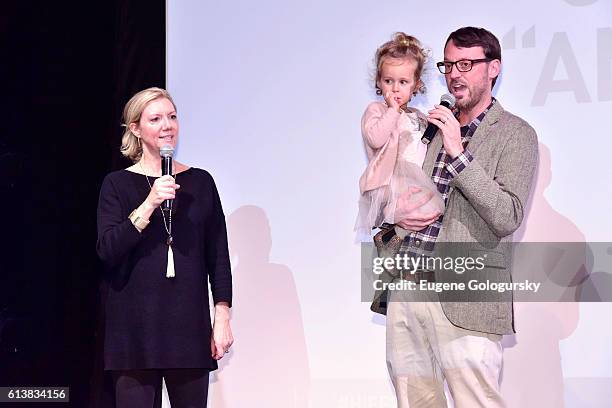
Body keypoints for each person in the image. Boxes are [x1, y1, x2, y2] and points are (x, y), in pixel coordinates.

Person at [378, 27, 539, 407]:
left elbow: (507, 215)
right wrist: (393, 217)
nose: (454, 74)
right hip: (408, 286)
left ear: (493, 68)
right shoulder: (429, 129)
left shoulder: (516, 134)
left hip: (468, 300)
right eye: (448, 65)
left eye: (466, 64)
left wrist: (458, 151)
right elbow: (400, 191)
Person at [96, 87, 233, 407]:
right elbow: (107, 250)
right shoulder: (116, 185)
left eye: (172, 116)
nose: (167, 125)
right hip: (133, 329)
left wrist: (222, 313)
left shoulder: (201, 182)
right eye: (155, 119)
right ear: (136, 129)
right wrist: (149, 203)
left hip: (187, 326)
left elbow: (218, 254)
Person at [355, 32, 444, 242]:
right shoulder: (376, 110)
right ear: (379, 81)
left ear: (416, 85)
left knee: (427, 220)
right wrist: (392, 110)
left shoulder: (418, 116)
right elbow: (376, 138)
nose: (395, 88)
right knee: (402, 227)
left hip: (418, 179)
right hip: (391, 180)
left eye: (403, 82)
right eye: (388, 81)